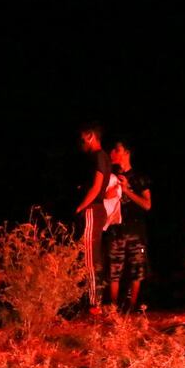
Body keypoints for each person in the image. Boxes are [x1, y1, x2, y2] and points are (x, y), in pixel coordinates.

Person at [106, 140, 151, 312]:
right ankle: (113, 307)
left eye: (117, 150)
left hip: (135, 230)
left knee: (137, 269)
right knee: (114, 270)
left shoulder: (139, 177)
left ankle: (132, 307)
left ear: (127, 152)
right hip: (116, 229)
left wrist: (126, 191)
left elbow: (147, 205)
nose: (113, 153)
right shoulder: (110, 177)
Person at [75, 122, 112, 313]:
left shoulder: (98, 156)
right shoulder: (104, 157)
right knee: (93, 255)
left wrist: (81, 206)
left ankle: (93, 304)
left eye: (82, 139)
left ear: (90, 136)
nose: (81, 144)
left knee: (89, 257)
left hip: (93, 209)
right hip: (98, 209)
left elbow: (97, 187)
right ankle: (94, 301)